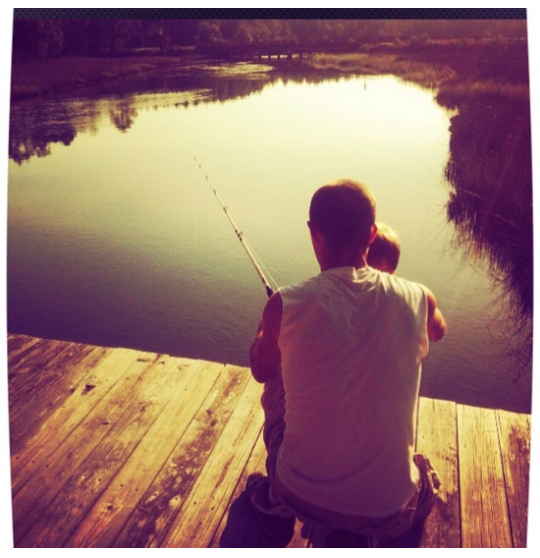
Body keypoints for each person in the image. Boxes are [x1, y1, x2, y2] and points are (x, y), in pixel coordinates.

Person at [247, 179, 447, 546]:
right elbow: (438, 331)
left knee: (276, 376)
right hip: (391, 511)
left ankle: (275, 502)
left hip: (299, 495)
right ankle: (418, 488)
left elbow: (260, 370)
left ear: (313, 233)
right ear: (371, 234)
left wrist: (266, 329)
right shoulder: (419, 297)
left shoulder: (283, 306)